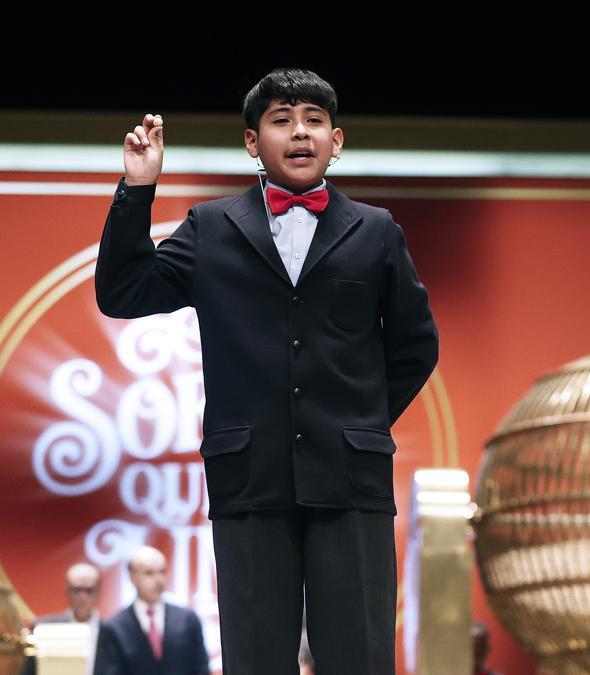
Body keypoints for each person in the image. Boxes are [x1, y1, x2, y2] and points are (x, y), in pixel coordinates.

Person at [95, 68, 439, 674]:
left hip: (351, 483)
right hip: (249, 478)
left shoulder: (377, 231)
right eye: (281, 120)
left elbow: (416, 346)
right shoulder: (213, 227)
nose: (299, 133)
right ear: (253, 142)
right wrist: (137, 188)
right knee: (255, 659)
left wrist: (358, 423)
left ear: (337, 140)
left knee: (359, 656)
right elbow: (124, 291)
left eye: (314, 121)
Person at [93, 547, 207, 675]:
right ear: (133, 577)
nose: (158, 580)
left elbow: (201, 669)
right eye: (149, 573)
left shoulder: (188, 620)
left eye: (162, 572)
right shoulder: (113, 627)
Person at [20, 562, 102, 675]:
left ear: (98, 592)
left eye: (88, 590)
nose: (82, 597)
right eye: (77, 590)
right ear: (67, 591)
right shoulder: (44, 628)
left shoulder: (111, 633)